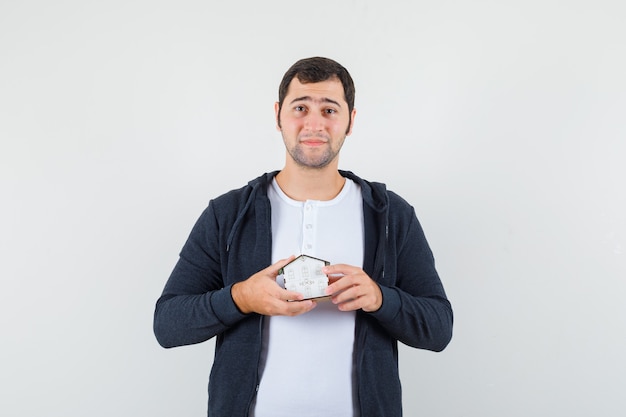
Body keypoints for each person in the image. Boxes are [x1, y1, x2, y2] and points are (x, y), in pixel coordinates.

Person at [153, 57, 453, 417]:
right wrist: (241, 297)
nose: (314, 123)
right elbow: (167, 324)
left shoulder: (390, 216)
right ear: (279, 115)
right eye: (301, 108)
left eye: (329, 109)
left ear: (350, 121)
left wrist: (380, 298)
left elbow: (438, 328)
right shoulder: (228, 214)